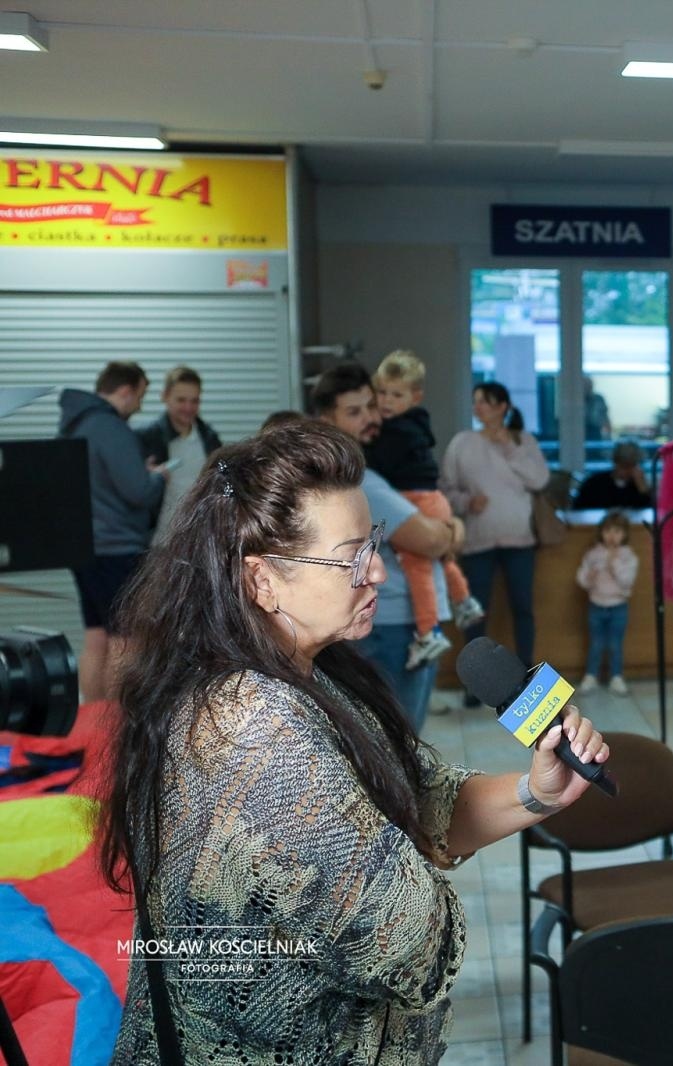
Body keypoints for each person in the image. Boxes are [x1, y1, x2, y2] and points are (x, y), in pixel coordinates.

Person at [100, 420, 609, 1064]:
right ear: (261, 580)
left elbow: (424, 797)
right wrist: (398, 856)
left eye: (374, 542)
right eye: (350, 558)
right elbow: (413, 944)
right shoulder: (255, 733)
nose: (380, 573)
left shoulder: (309, 671)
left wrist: (534, 793)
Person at [313, 363, 464, 728]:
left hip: (399, 619)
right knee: (400, 742)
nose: (369, 418)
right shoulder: (355, 480)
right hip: (391, 625)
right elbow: (429, 540)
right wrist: (454, 528)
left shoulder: (377, 467)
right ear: (326, 419)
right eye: (353, 412)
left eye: (370, 406)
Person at [367, 350, 485, 669]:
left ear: (415, 396)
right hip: (433, 499)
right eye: (382, 393)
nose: (386, 401)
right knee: (439, 558)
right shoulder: (417, 425)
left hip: (414, 498)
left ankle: (429, 630)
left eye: (396, 394)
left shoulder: (394, 431)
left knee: (416, 564)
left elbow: (380, 462)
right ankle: (463, 600)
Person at [58, 360, 167, 703]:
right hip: (117, 548)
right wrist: (156, 478)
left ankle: (93, 720)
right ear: (125, 390)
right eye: (140, 396)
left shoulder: (74, 423)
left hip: (84, 547)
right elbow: (136, 490)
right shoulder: (110, 427)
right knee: (126, 639)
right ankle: (120, 725)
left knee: (96, 636)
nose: (139, 406)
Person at [439, 381, 551, 687]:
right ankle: (478, 684)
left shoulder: (523, 440)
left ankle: (529, 678)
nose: (478, 408)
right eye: (475, 402)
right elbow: (445, 490)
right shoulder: (462, 442)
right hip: (478, 541)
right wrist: (466, 502)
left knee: (523, 607)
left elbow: (540, 480)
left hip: (520, 541)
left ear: (503, 406)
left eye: (485, 402)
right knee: (475, 612)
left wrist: (509, 447)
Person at [137, 365, 224, 544]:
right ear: (165, 397)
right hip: (157, 543)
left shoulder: (209, 438)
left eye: (195, 401)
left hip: (200, 542)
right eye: (181, 400)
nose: (188, 407)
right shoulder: (146, 438)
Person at [576, 509, 640, 695]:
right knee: (595, 643)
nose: (612, 536)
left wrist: (614, 564)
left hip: (618, 607)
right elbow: (582, 580)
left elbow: (627, 581)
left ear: (625, 534)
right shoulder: (593, 554)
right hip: (596, 605)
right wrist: (590, 574)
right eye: (608, 531)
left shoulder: (629, 557)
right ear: (601, 533)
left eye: (617, 532)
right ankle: (591, 676)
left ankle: (616, 677)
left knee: (615, 644)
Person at [573, 439, 653, 510]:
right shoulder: (594, 482)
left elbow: (650, 513)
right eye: (624, 466)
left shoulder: (639, 485)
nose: (628, 471)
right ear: (615, 462)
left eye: (632, 466)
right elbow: (578, 510)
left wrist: (643, 490)